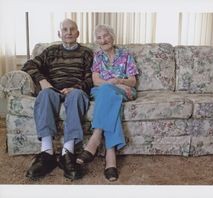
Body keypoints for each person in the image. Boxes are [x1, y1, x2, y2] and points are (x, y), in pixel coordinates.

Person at [22, 18, 93, 180]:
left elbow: (91, 78)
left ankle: (67, 154)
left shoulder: (86, 53)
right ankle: (46, 153)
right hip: (53, 89)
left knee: (76, 96)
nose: (68, 32)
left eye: (72, 29)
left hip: (75, 89)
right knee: (45, 94)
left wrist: (77, 88)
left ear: (78, 33)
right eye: (65, 29)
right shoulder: (51, 51)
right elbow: (28, 65)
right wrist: (42, 81)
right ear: (59, 33)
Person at [76, 24, 139, 182]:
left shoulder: (125, 55)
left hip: (123, 89)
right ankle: (110, 158)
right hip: (104, 91)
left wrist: (118, 80)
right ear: (96, 41)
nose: (103, 39)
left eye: (106, 35)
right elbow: (96, 80)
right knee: (109, 96)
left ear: (113, 36)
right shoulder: (97, 56)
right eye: (99, 37)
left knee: (108, 93)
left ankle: (95, 137)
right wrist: (111, 85)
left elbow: (132, 81)